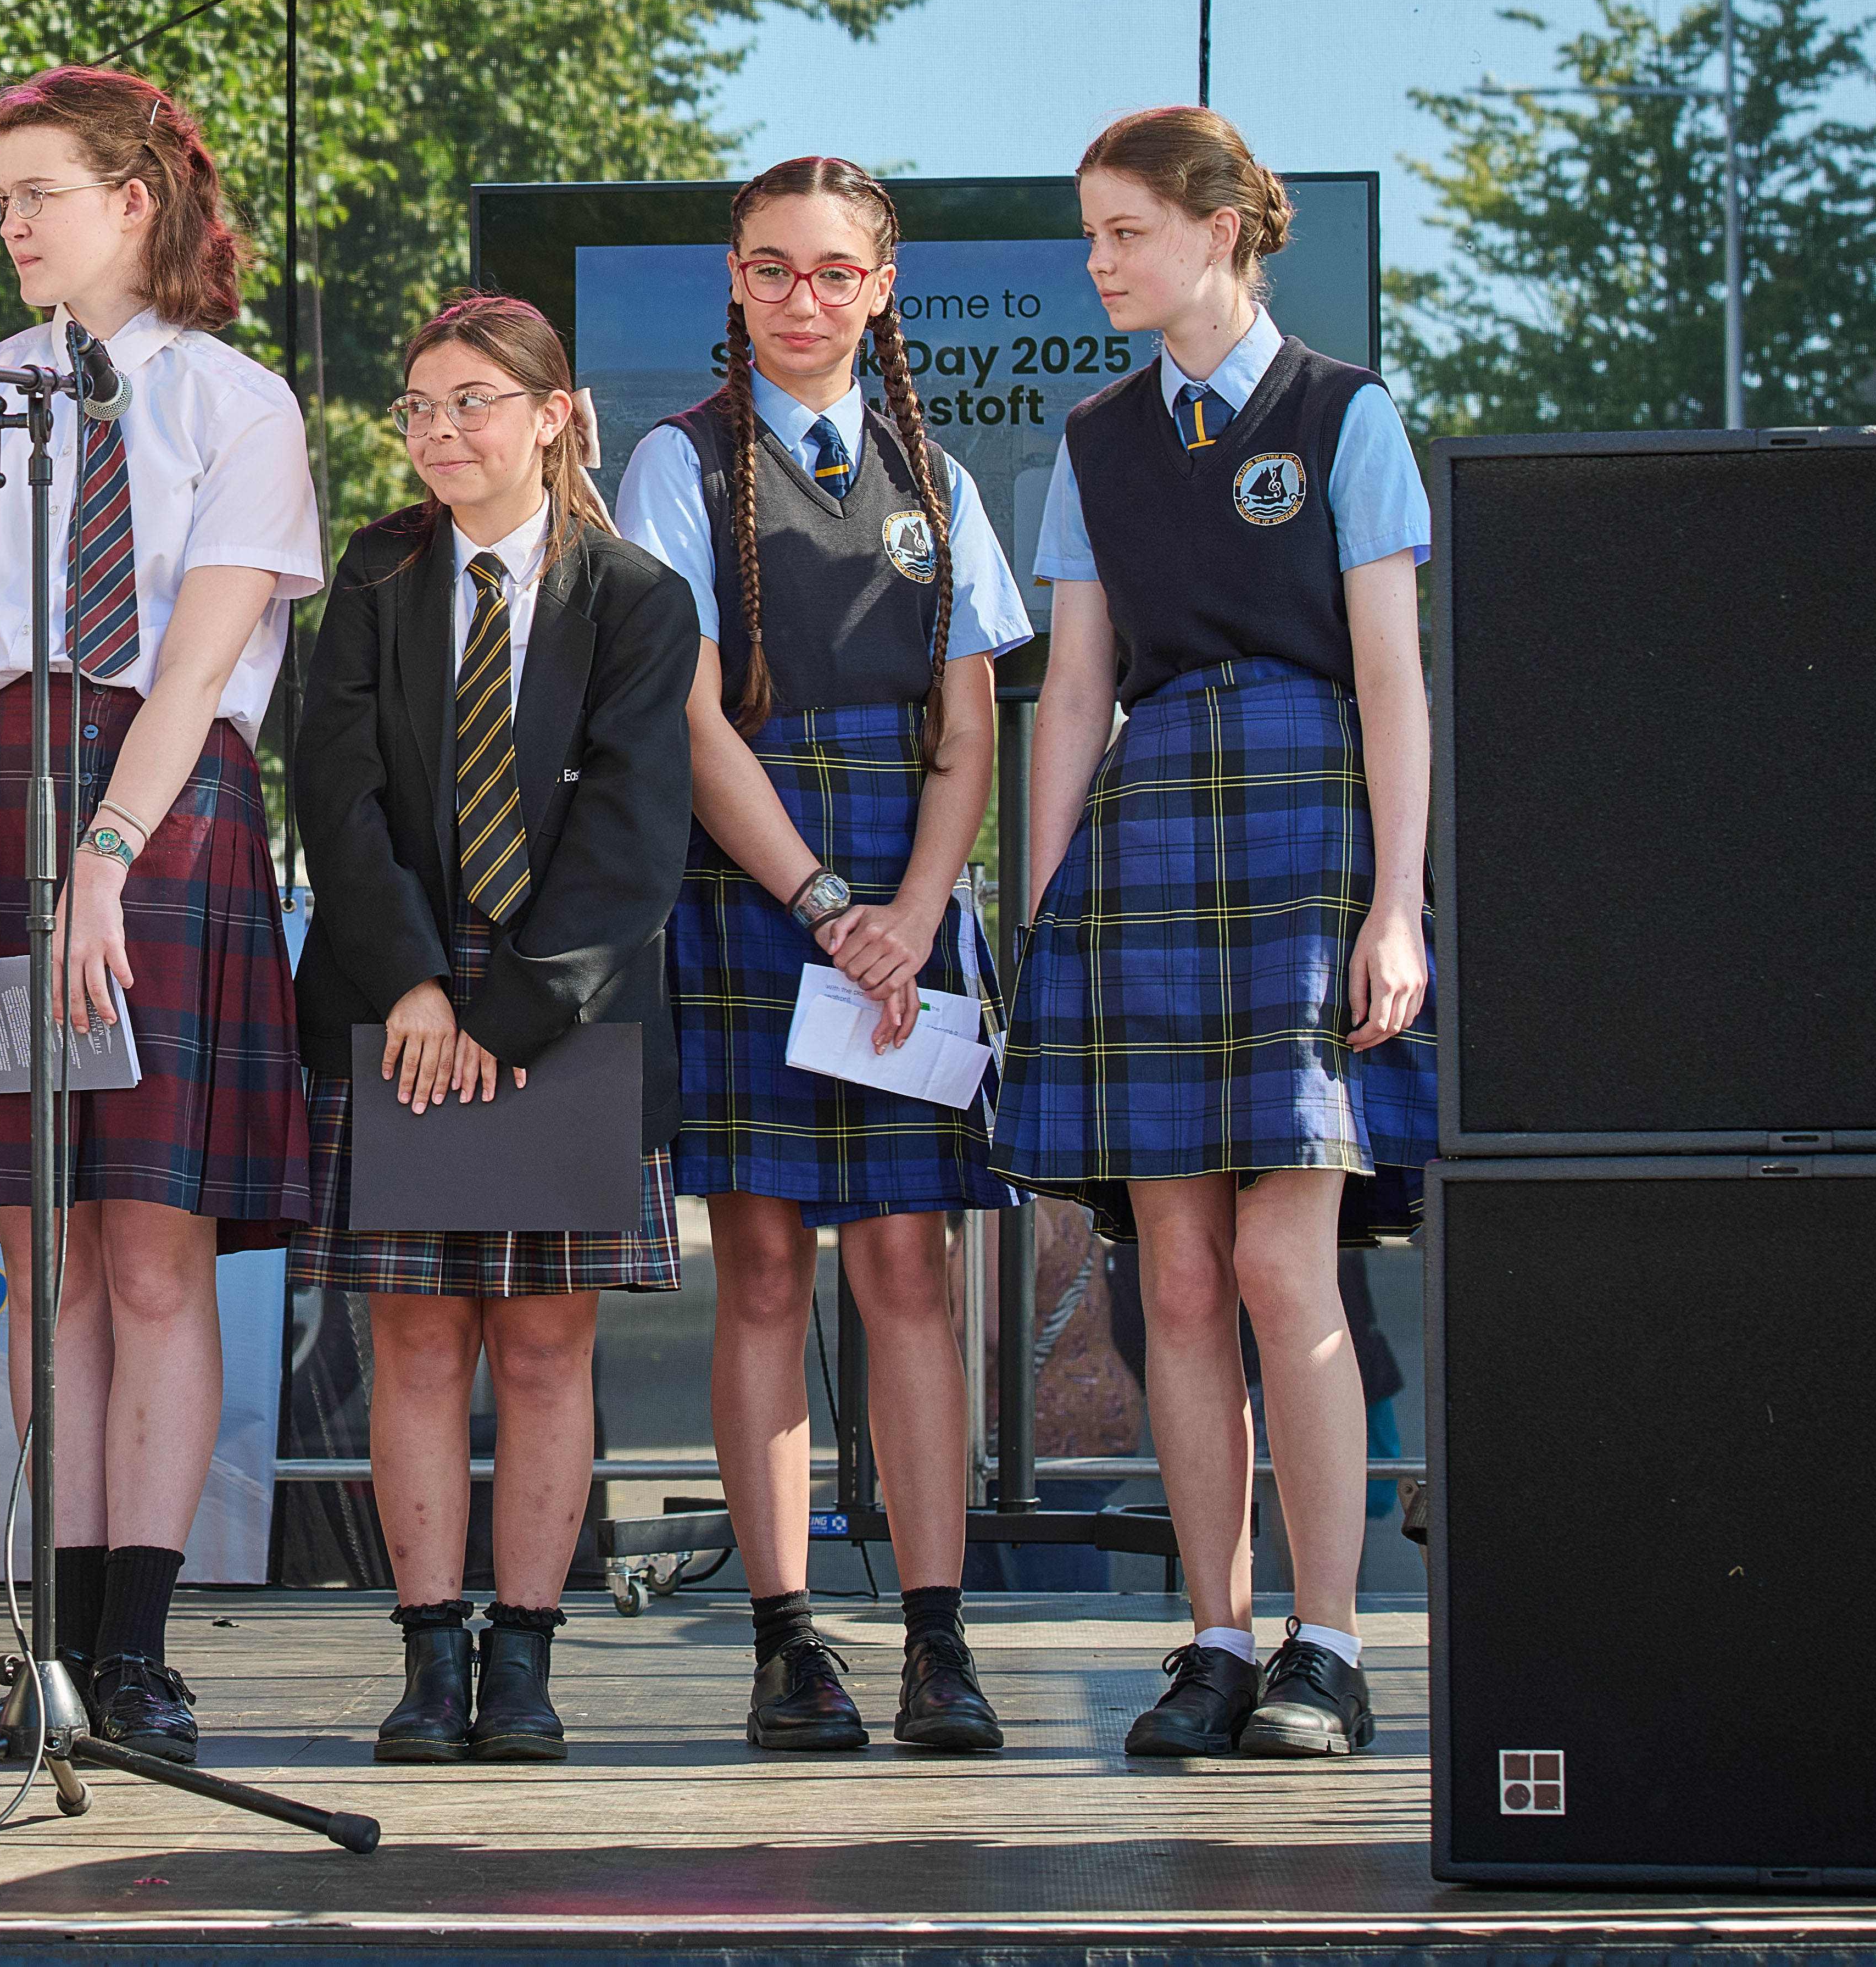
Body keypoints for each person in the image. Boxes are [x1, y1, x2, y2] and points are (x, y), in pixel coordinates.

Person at [0, 63, 321, 1764]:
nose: (12, 222)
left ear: (135, 198)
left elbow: (202, 653)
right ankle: (44, 1641)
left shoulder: (235, 399)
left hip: (168, 800)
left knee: (152, 1242)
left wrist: (108, 851)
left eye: (38, 189)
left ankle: (137, 1641)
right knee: (42, 1252)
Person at [992, 104, 1435, 1760]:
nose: (1098, 260)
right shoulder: (1097, 435)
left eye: (1123, 230)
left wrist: (1399, 902)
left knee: (1275, 1256)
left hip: (1312, 824)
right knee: (1169, 1272)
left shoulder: (1344, 412)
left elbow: (1395, 679)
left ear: (1219, 228)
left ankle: (1331, 1639)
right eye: (1090, 233)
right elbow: (1076, 691)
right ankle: (1216, 1635)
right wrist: (1043, 914)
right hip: (1150, 831)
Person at [611, 158, 1034, 1759]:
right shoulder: (676, 466)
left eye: (834, 271)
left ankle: (938, 1637)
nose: (803, 297)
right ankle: (788, 1641)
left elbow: (974, 719)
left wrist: (917, 912)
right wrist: (819, 904)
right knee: (769, 1263)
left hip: (908, 904)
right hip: (755, 890)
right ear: (735, 279)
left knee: (909, 1264)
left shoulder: (942, 473)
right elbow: (687, 715)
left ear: (881, 287)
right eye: (773, 268)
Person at [291, 293, 696, 1767]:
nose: (442, 430)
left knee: (541, 1343)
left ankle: (523, 1660)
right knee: (411, 1334)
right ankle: (428, 1655)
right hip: (397, 991)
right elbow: (333, 790)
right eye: (419, 405)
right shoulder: (379, 571)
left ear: (550, 413)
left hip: (564, 995)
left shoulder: (638, 595)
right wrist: (413, 988)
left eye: (472, 400)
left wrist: (508, 1014)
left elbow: (637, 829)